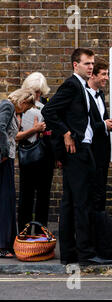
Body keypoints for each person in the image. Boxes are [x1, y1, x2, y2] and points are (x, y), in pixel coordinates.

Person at [42, 48, 112, 266]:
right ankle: (84, 254)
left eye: (92, 64)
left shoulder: (82, 87)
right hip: (77, 151)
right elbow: (49, 111)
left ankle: (71, 254)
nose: (91, 67)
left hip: (84, 149)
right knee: (81, 202)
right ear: (75, 65)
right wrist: (65, 134)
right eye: (87, 64)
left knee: (71, 202)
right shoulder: (72, 85)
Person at [16, 72, 54, 234]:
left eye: (38, 92)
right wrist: (34, 129)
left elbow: (54, 129)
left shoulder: (47, 104)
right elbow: (15, 134)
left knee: (44, 195)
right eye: (33, 91)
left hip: (46, 154)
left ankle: (40, 233)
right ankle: (23, 233)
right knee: (26, 195)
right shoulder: (21, 105)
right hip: (27, 153)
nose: (36, 95)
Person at [0, 88, 36, 258]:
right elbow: (0, 129)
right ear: (22, 102)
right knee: (5, 202)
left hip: (6, 161)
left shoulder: (10, 109)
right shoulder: (7, 106)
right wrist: (5, 153)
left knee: (7, 202)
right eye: (27, 108)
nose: (26, 111)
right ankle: (2, 246)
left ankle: (7, 243)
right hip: (3, 160)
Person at [86, 57, 112, 212]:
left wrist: (107, 124)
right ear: (92, 75)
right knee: (90, 194)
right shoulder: (84, 95)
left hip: (102, 153)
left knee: (100, 192)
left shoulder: (100, 94)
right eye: (104, 74)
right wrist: (103, 125)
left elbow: (97, 121)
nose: (107, 77)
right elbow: (84, 124)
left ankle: (97, 231)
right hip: (89, 152)